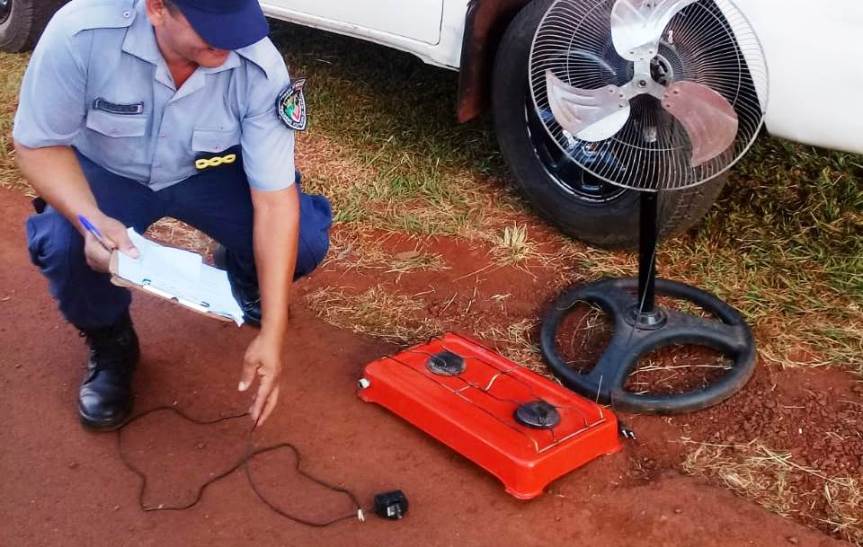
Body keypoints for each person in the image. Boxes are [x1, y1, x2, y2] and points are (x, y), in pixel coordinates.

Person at [13, 0, 332, 431]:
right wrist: (90, 219)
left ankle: (240, 274)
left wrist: (272, 332)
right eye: (210, 26)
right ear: (158, 8)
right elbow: (37, 144)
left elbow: (275, 203)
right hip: (108, 172)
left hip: (209, 172)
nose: (231, 40)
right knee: (67, 244)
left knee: (304, 241)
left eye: (238, 23)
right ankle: (113, 345)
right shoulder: (80, 33)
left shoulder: (258, 63)